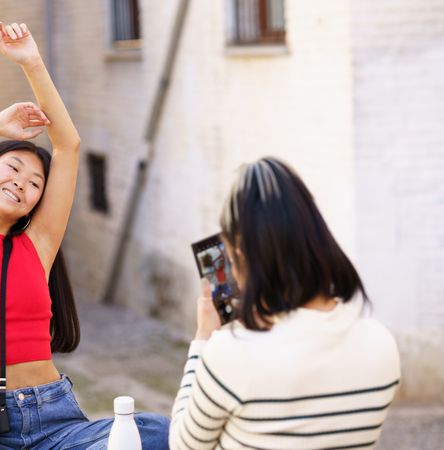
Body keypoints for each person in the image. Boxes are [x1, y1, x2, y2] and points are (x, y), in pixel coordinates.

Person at [0, 20, 169, 449]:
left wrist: (31, 61)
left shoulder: (36, 245)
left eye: (36, 183)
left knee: (157, 433)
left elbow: (68, 145)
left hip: (58, 425)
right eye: (13, 168)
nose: (23, 182)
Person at [169, 158, 400, 450]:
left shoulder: (229, 355)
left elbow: (182, 446)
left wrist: (203, 339)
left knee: (146, 430)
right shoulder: (380, 344)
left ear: (241, 256)